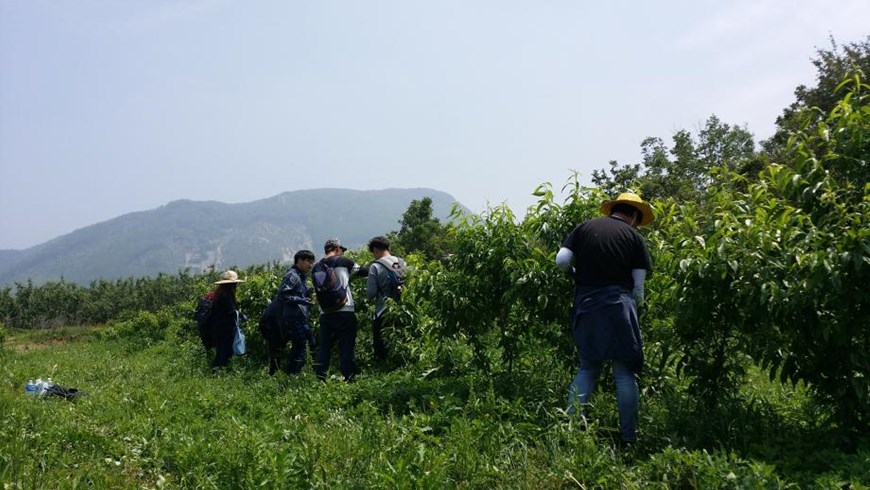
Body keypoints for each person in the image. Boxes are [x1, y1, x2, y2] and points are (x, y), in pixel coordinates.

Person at [556, 192, 653, 445]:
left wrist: (578, 275)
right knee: (624, 374)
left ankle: (571, 432)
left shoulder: (585, 227)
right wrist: (634, 311)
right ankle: (629, 439)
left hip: (587, 304)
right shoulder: (634, 237)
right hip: (619, 306)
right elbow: (638, 290)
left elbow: (562, 260)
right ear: (633, 216)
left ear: (614, 210)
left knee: (588, 368)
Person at [314, 238, 368, 381]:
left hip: (325, 313)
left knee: (324, 347)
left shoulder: (317, 266)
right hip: (345, 309)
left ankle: (320, 378)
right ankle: (348, 377)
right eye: (341, 250)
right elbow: (363, 272)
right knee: (346, 346)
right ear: (337, 249)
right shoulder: (344, 262)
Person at [261, 250, 316, 376]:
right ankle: (292, 374)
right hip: (289, 318)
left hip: (295, 317)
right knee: (299, 345)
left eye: (312, 262)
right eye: (308, 262)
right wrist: (302, 300)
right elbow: (284, 295)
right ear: (300, 261)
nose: (310, 265)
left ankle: (291, 373)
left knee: (307, 342)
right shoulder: (292, 275)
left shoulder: (301, 276)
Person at [365, 236, 406, 362]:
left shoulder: (375, 266)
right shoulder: (402, 262)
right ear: (389, 248)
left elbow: (370, 293)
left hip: (383, 310)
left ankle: (383, 366)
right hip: (403, 310)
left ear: (376, 249)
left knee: (381, 343)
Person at [210, 270, 246, 369]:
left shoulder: (221, 293)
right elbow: (231, 312)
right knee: (224, 352)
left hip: (219, 327)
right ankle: (218, 371)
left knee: (221, 351)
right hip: (225, 328)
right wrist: (242, 315)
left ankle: (217, 371)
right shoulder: (226, 295)